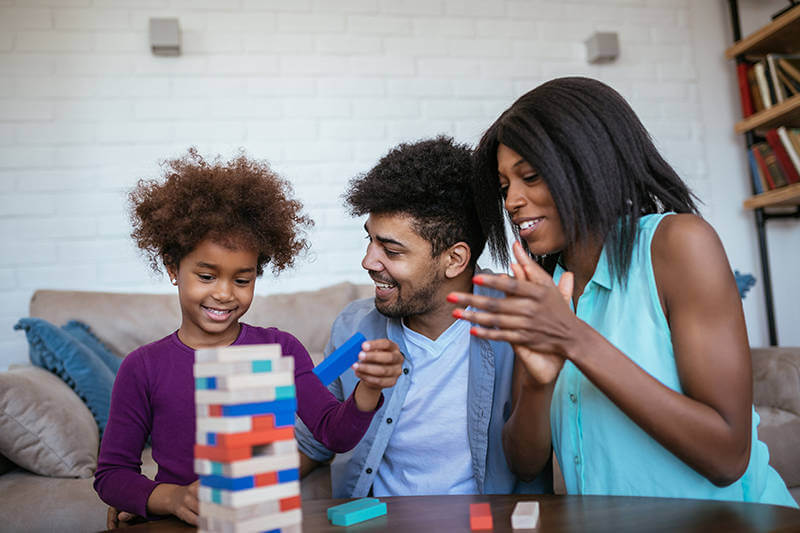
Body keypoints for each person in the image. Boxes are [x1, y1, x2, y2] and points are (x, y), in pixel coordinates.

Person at [449, 77, 797, 507]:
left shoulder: (678, 244)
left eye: (531, 176)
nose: (513, 201)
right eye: (504, 187)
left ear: (589, 162)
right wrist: (539, 386)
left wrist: (575, 340)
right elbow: (524, 464)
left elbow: (727, 457)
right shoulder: (548, 289)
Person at [95, 149, 404, 528]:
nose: (225, 293)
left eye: (242, 280)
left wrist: (368, 389)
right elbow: (111, 475)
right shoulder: (142, 367)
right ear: (173, 268)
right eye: (206, 277)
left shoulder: (280, 350)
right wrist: (171, 498)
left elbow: (333, 433)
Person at [296, 136, 552, 498]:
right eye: (369, 241)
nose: (369, 262)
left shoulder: (521, 317)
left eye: (391, 250)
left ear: (454, 260)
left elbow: (533, 464)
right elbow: (311, 443)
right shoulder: (354, 326)